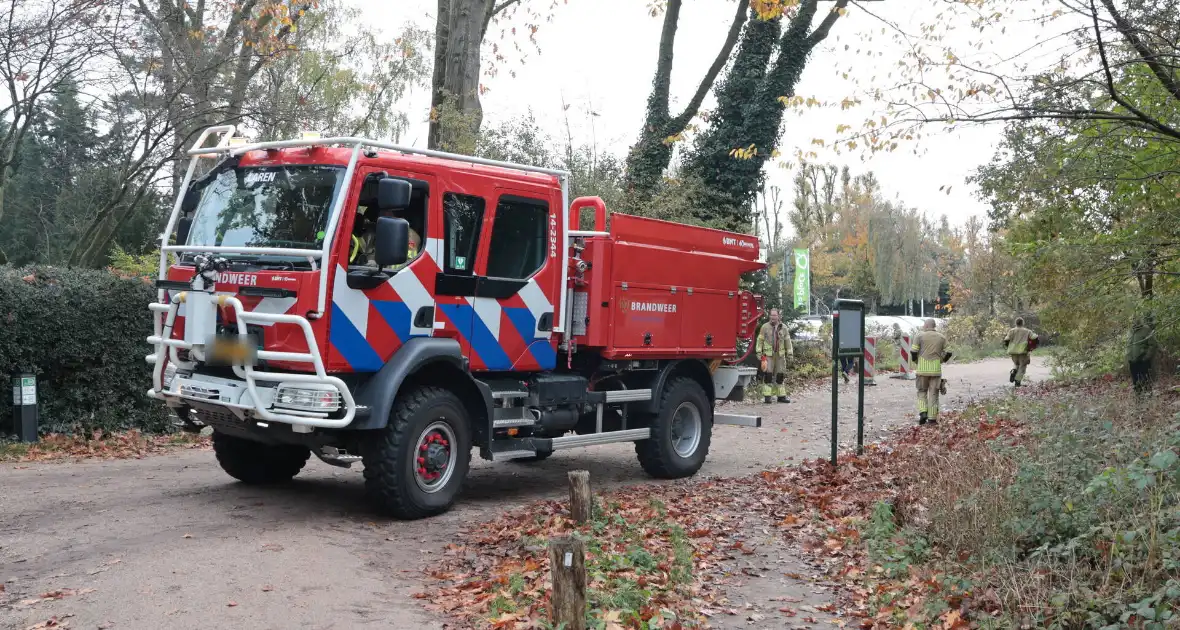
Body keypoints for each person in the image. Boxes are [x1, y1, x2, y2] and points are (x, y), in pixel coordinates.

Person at [350, 204, 421, 270]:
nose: (380, 215)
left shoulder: (408, 234)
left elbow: (401, 266)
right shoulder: (378, 230)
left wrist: (375, 265)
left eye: (385, 211)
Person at [911, 318, 949, 425]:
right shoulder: (942, 337)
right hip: (936, 370)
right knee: (934, 393)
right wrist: (942, 360)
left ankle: (923, 412)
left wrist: (916, 361)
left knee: (922, 391)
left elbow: (913, 351)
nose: (923, 326)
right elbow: (949, 352)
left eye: (924, 325)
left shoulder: (919, 336)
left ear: (927, 326)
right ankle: (932, 419)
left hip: (922, 370)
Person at [756, 309, 793, 404]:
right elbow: (760, 340)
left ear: (778, 316)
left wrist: (790, 354)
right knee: (768, 375)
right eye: (771, 315)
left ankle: (781, 397)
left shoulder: (783, 327)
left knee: (780, 375)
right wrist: (759, 352)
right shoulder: (765, 327)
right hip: (768, 355)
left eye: (774, 315)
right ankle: (767, 397)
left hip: (780, 355)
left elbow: (787, 341)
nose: (772, 317)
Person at [1127, 315, 1157, 395]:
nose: (1134, 320)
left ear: (1139, 319)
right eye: (1132, 319)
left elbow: (1153, 344)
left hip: (1143, 360)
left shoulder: (1146, 329)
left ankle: (1148, 399)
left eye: (1135, 318)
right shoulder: (1130, 330)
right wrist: (1128, 357)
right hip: (1132, 361)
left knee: (1145, 380)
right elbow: (1129, 345)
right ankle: (1138, 400)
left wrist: (1146, 357)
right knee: (1135, 382)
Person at [1004, 317, 1038, 387]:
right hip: (1023, 351)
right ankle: (1017, 382)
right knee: (1022, 366)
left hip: (1013, 351)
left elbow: (1006, 339)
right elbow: (1034, 337)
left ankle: (1013, 371)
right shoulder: (1027, 331)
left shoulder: (1011, 331)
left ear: (1016, 323)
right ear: (1023, 323)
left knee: (1016, 363)